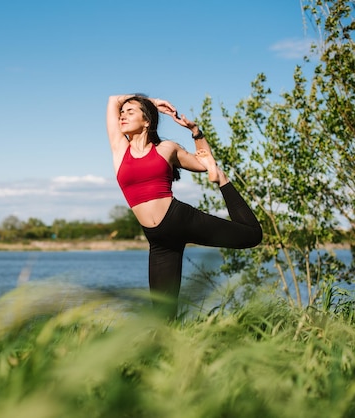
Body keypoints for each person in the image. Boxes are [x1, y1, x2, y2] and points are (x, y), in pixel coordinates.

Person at [106, 94, 262, 318]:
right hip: (158, 240)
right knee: (162, 315)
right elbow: (113, 100)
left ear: (147, 121)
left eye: (131, 112)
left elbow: (204, 162)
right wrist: (150, 102)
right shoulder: (120, 148)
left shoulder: (166, 149)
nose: (122, 115)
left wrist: (195, 131)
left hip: (179, 219)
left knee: (252, 236)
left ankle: (224, 182)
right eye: (122, 113)